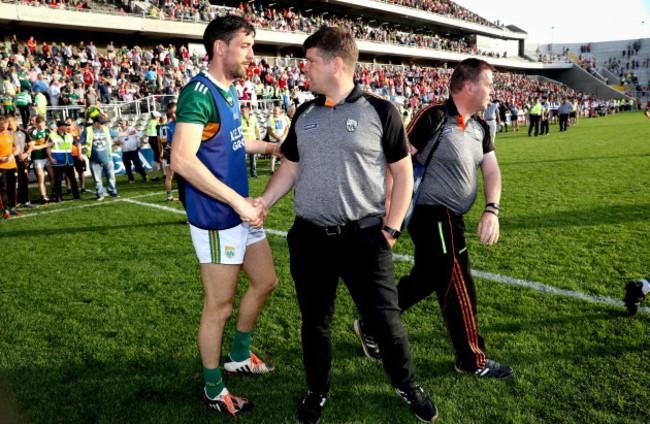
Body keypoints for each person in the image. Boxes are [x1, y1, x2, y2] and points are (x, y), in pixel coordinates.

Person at [259, 27, 437, 424]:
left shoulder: (381, 111)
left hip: (364, 237)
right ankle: (316, 390)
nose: (302, 69)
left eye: (309, 61)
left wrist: (390, 230)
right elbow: (290, 166)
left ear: (335, 63)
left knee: (386, 322)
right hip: (309, 238)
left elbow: (404, 175)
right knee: (315, 322)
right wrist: (265, 201)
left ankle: (406, 384)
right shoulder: (305, 113)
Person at [354, 58, 513, 380]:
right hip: (432, 214)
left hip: (453, 216)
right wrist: (389, 210)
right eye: (489, 84)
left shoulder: (480, 127)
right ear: (469, 86)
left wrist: (491, 208)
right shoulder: (435, 116)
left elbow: (492, 170)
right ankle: (471, 358)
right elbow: (397, 160)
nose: (492, 91)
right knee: (458, 279)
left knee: (428, 277)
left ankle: (370, 323)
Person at [170, 15, 281, 417]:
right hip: (218, 216)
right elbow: (181, 159)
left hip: (240, 211)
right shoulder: (197, 93)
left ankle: (238, 355)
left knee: (266, 281)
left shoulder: (228, 90)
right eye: (245, 46)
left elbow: (230, 142)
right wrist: (237, 202)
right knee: (219, 306)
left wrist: (271, 148)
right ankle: (214, 389)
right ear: (220, 48)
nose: (252, 55)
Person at [79, 115, 130, 201]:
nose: (103, 125)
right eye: (102, 123)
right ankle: (100, 193)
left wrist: (129, 133)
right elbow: (80, 142)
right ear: (96, 123)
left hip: (108, 158)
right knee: (97, 178)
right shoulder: (88, 131)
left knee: (111, 176)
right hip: (94, 159)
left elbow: (117, 134)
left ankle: (113, 192)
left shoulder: (106, 129)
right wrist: (79, 154)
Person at [46, 120, 80, 203]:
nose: (67, 127)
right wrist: (50, 158)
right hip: (58, 161)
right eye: (65, 125)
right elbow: (48, 147)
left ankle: (76, 195)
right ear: (61, 126)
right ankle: (58, 196)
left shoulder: (69, 135)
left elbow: (77, 143)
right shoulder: (52, 136)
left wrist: (79, 152)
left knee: (73, 179)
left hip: (68, 160)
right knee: (58, 179)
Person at [6, 116, 36, 208]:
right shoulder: (4, 132)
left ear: (15, 122)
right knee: (10, 182)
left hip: (21, 159)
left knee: (23, 180)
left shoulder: (23, 132)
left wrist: (26, 154)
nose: (8, 123)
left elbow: (31, 145)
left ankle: (25, 201)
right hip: (8, 160)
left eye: (9, 121)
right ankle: (12, 203)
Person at [0, 116, 21, 218]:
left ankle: (12, 206)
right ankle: (5, 209)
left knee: (12, 187)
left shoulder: (11, 135)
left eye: (4, 125)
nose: (3, 127)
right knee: (2, 188)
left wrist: (13, 154)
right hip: (1, 167)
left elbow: (17, 148)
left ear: (7, 125)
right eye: (1, 126)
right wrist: (2, 158)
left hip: (12, 166)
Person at [30, 116, 54, 204]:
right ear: (36, 124)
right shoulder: (34, 132)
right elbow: (32, 147)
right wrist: (45, 145)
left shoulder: (47, 130)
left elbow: (52, 138)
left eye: (42, 125)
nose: (41, 127)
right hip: (38, 158)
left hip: (47, 157)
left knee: (53, 176)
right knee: (41, 177)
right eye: (39, 126)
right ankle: (44, 196)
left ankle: (54, 192)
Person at [265, 105, 289, 174]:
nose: (274, 112)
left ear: (280, 111)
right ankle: (272, 170)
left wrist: (282, 136)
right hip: (274, 139)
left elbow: (286, 128)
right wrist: (276, 137)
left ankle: (284, 169)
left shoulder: (283, 118)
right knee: (273, 155)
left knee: (283, 155)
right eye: (274, 110)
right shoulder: (271, 118)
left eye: (276, 110)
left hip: (282, 139)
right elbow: (269, 130)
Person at [241, 104, 261, 178]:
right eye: (241, 111)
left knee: (253, 160)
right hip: (243, 142)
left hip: (252, 142)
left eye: (243, 111)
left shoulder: (253, 118)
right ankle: (243, 175)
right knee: (243, 160)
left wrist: (260, 139)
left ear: (247, 111)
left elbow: (257, 129)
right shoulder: (239, 119)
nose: (242, 112)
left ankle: (254, 174)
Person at [146, 111, 164, 181]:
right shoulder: (156, 123)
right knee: (157, 158)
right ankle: (154, 176)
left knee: (159, 156)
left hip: (151, 139)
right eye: (158, 117)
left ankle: (164, 173)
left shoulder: (150, 122)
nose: (159, 119)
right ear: (156, 117)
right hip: (155, 139)